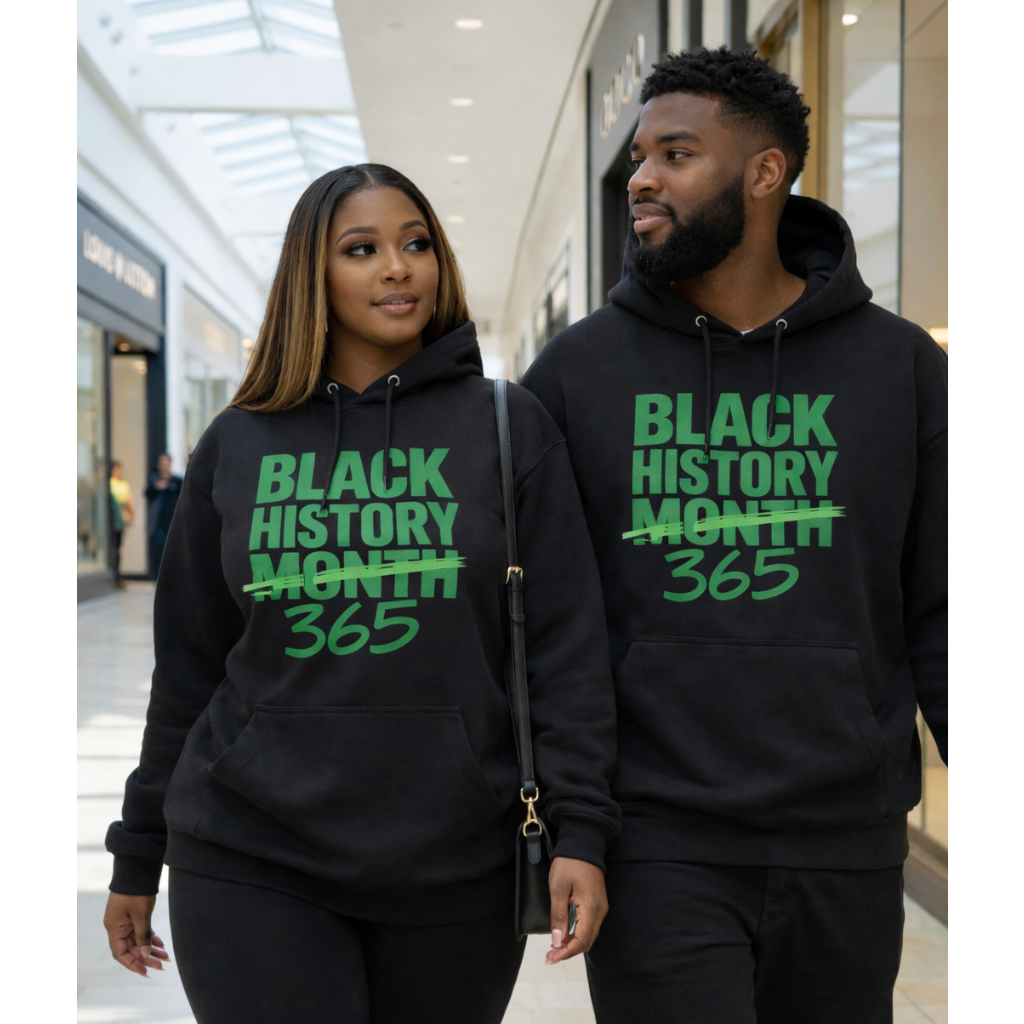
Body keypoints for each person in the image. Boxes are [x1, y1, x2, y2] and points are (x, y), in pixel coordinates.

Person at [103, 163, 620, 1024]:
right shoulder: (237, 444)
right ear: (314, 272)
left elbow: (567, 651)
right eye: (363, 248)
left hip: (455, 860)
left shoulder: (505, 427)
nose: (397, 267)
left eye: (417, 244)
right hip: (247, 852)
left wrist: (583, 831)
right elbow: (188, 671)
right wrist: (137, 850)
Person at [522, 48, 947, 1024]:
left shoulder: (898, 373)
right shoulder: (579, 375)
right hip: (655, 834)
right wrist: (571, 820)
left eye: (676, 154)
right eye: (639, 155)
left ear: (763, 173)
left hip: (845, 835)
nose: (640, 177)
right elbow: (547, 625)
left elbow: (939, 605)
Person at [145, 453, 182, 577]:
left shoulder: (177, 481)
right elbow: (147, 494)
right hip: (158, 523)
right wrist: (156, 487)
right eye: (162, 463)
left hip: (174, 522)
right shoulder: (153, 480)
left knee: (175, 550)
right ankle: (158, 578)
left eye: (167, 463)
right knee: (159, 550)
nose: (165, 466)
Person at [109, 460, 134, 588]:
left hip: (117, 521)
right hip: (107, 522)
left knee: (116, 550)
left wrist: (130, 516)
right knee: (110, 550)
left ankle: (116, 576)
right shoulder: (106, 483)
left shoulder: (122, 484)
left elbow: (128, 503)